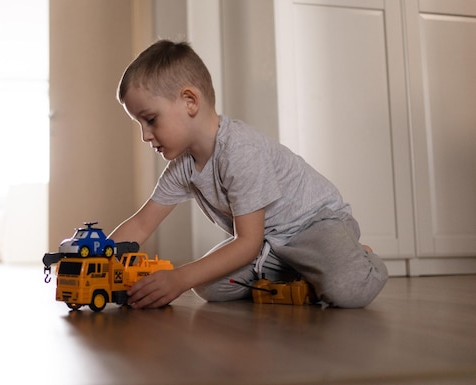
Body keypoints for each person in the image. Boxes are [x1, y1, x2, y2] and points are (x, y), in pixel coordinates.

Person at [109, 39, 388, 309]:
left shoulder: (240, 149)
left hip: (314, 225)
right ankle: (302, 274)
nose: (145, 135)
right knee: (209, 287)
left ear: (190, 101)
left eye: (151, 120)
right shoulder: (183, 166)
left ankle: (359, 257)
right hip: (270, 244)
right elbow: (141, 224)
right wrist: (95, 257)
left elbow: (247, 243)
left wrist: (179, 278)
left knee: (350, 289)